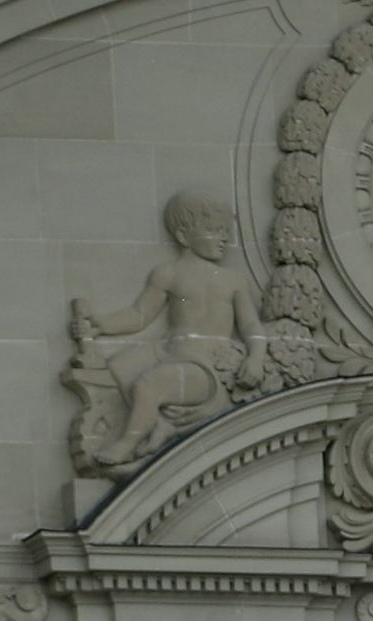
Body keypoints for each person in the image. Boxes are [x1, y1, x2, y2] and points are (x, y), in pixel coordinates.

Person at [69, 192, 258, 470]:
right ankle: (158, 424)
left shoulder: (233, 280)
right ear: (183, 236)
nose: (223, 239)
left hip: (204, 363)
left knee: (149, 384)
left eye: (225, 232)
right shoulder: (168, 274)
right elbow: (138, 315)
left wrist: (256, 358)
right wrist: (99, 325)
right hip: (168, 352)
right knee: (118, 366)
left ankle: (128, 443)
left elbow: (252, 326)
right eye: (212, 231)